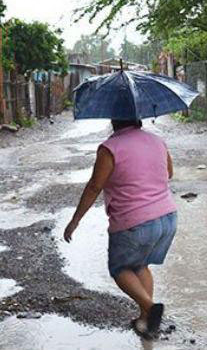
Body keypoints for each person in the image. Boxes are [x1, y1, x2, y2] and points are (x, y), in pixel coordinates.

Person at [64, 119, 177, 336]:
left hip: (134, 222)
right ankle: (146, 322)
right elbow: (169, 173)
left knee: (119, 268)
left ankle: (151, 308)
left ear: (114, 120)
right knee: (140, 264)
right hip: (167, 218)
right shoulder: (157, 141)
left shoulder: (110, 148)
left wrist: (75, 220)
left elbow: (95, 186)